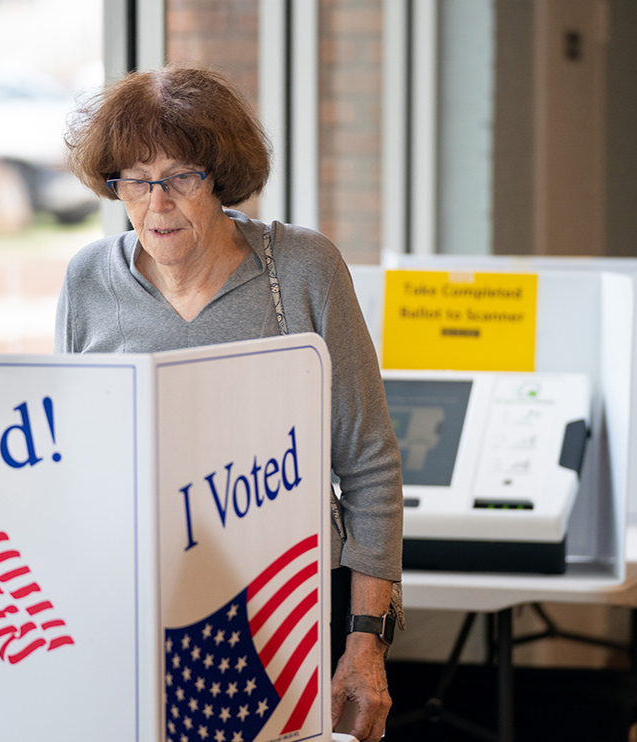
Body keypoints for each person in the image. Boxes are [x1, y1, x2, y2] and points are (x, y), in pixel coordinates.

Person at [56, 64, 402, 742]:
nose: (157, 203)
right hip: (142, 608)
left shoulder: (303, 270)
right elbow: (76, 472)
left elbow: (368, 464)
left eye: (181, 176)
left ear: (221, 176)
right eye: (134, 178)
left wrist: (366, 641)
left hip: (291, 604)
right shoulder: (89, 281)